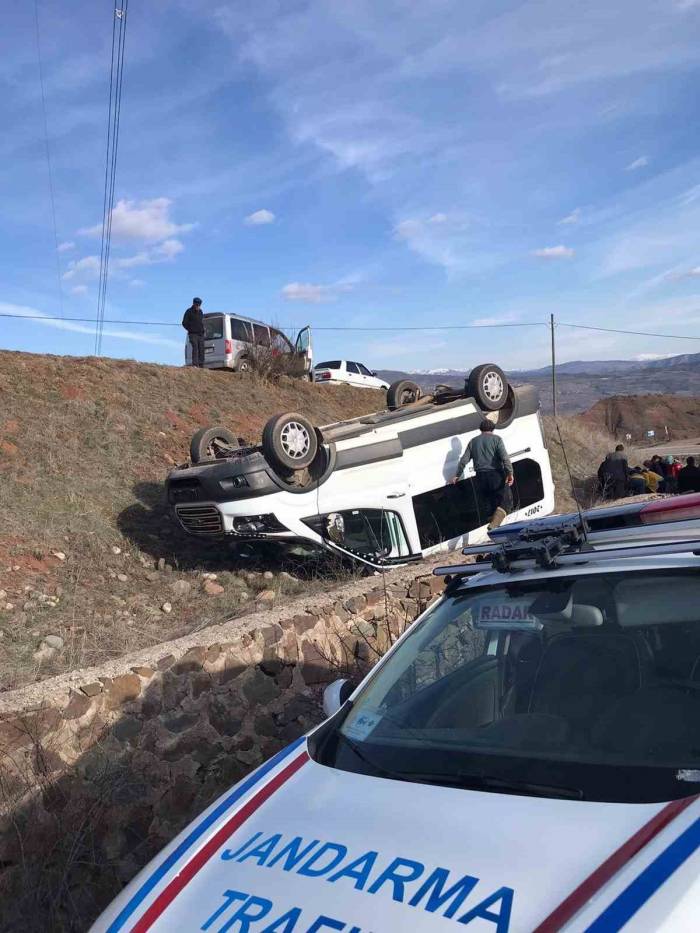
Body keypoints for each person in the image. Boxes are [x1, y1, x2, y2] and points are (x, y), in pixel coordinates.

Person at [452, 420, 514, 529]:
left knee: (490, 504)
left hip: (480, 477)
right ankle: (495, 525)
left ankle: (493, 529)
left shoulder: (473, 442)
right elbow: (505, 458)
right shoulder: (497, 440)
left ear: (481, 429)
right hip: (496, 475)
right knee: (506, 502)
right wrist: (510, 473)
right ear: (492, 429)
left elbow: (463, 460)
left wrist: (457, 475)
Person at [182, 297, 205, 368]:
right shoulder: (188, 311)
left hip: (200, 334)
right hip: (192, 334)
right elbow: (184, 323)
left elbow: (201, 322)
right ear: (194, 304)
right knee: (195, 347)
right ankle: (195, 364)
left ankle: (201, 365)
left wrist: (203, 329)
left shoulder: (201, 312)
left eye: (199, 305)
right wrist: (190, 329)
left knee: (201, 349)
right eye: (197, 305)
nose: (198, 306)